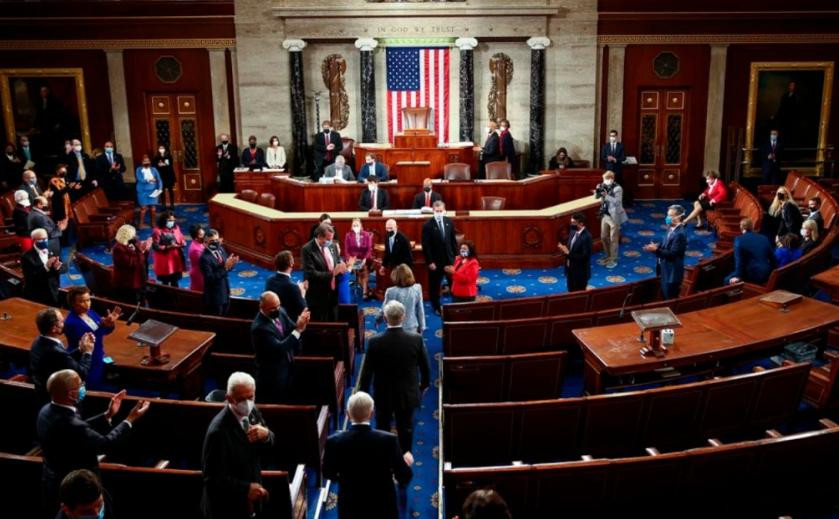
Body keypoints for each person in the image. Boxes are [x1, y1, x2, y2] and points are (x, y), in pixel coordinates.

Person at [38, 369, 149, 518]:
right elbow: (106, 444)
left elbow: (78, 430)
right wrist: (130, 419)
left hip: (53, 480)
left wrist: (107, 415)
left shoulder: (46, 411)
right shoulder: (73, 424)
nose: (84, 385)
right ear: (71, 394)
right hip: (80, 490)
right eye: (80, 384)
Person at [322, 391, 413, 519]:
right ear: (372, 414)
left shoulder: (333, 442)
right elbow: (404, 476)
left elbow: (327, 473)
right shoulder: (389, 440)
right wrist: (405, 463)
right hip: (383, 506)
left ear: (348, 414)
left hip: (350, 505)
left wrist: (344, 477)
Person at [201, 372, 275, 519]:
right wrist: (245, 489)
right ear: (229, 398)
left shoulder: (252, 411)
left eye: (251, 397)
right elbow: (212, 478)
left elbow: (270, 444)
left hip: (251, 498)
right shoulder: (218, 432)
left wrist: (266, 435)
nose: (248, 403)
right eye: (241, 399)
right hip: (226, 508)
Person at [361, 300, 430, 455]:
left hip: (382, 394)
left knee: (382, 427)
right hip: (408, 393)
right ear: (403, 317)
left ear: (385, 319)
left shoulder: (374, 341)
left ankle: (384, 458)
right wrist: (423, 387)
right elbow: (425, 368)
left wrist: (365, 395)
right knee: (406, 427)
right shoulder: (416, 339)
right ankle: (406, 455)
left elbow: (367, 373)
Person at [251, 291, 311, 403]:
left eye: (278, 305)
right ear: (262, 307)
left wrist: (301, 323)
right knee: (278, 400)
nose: (277, 309)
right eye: (273, 308)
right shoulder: (259, 328)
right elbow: (280, 349)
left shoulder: (280, 311)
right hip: (273, 374)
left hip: (288, 364)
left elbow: (292, 327)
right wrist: (298, 330)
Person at [63, 286, 121, 390]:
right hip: (85, 359)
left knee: (98, 383)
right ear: (73, 303)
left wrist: (110, 323)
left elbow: (105, 331)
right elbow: (89, 340)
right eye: (82, 301)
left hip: (97, 355)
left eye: (88, 300)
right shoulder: (71, 322)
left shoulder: (91, 313)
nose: (87, 304)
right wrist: (104, 326)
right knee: (90, 386)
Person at [29, 309, 94, 398]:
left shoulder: (38, 340)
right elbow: (82, 373)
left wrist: (80, 349)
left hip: (41, 389)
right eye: (62, 321)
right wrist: (87, 352)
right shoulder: (55, 352)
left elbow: (63, 361)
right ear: (54, 328)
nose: (64, 323)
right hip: (54, 396)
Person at [301, 223, 346, 322]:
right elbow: (311, 273)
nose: (330, 242)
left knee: (333, 320)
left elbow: (337, 260)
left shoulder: (332, 246)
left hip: (333, 292)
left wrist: (342, 265)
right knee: (320, 324)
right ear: (319, 236)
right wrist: (332, 274)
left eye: (331, 239)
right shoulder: (307, 249)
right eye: (328, 239)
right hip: (318, 296)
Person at [644, 204, 687, 300]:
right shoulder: (670, 229)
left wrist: (656, 250)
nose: (667, 218)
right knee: (663, 293)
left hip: (672, 271)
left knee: (669, 297)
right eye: (668, 215)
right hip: (664, 268)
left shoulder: (680, 234)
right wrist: (657, 246)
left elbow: (672, 254)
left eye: (670, 216)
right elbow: (666, 244)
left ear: (678, 218)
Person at [422, 201, 458, 313]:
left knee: (453, 283)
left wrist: (457, 257)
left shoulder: (449, 222)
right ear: (433, 211)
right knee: (434, 286)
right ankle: (436, 307)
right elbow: (426, 246)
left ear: (444, 210)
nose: (439, 213)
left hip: (449, 259)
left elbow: (453, 241)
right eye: (436, 211)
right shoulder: (427, 225)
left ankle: (455, 305)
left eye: (440, 211)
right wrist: (430, 262)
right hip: (435, 262)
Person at [200, 228, 239, 316]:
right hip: (215, 296)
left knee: (226, 315)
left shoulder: (221, 249)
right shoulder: (204, 258)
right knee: (218, 318)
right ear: (206, 243)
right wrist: (225, 268)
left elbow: (225, 267)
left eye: (217, 240)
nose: (215, 242)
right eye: (212, 241)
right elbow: (210, 278)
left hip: (225, 289)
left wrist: (231, 264)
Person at [725, 218, 774, 285]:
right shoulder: (764, 237)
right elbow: (772, 258)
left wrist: (738, 277)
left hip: (753, 275)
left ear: (741, 228)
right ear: (752, 227)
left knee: (726, 280)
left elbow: (739, 262)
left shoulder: (739, 240)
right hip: (767, 272)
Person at [22, 228, 64, 306]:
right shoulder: (27, 257)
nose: (45, 241)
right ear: (34, 240)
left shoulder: (53, 251)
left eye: (46, 238)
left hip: (54, 291)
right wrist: (46, 267)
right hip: (38, 295)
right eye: (41, 239)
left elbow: (57, 271)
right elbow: (31, 279)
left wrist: (56, 268)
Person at [594, 171, 627, 269]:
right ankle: (607, 255)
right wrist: (597, 192)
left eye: (606, 179)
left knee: (613, 238)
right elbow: (597, 198)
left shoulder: (618, 188)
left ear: (611, 179)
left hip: (614, 216)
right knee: (603, 237)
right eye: (603, 179)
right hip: (605, 214)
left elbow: (617, 202)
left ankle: (613, 259)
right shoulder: (603, 185)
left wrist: (606, 195)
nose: (604, 181)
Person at [111, 224, 150, 305]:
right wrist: (141, 252)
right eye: (133, 234)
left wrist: (145, 249)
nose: (135, 236)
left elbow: (142, 259)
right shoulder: (118, 248)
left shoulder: (134, 242)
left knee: (142, 299)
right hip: (128, 282)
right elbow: (131, 263)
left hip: (140, 277)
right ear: (127, 235)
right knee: (133, 302)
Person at [264, 250, 308, 322]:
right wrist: (302, 293)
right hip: (288, 324)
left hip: (272, 320)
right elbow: (303, 310)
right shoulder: (293, 287)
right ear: (291, 263)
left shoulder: (269, 280)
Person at [382, 264, 425, 334]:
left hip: (395, 326)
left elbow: (385, 309)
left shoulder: (391, 291)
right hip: (412, 326)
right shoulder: (417, 288)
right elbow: (420, 309)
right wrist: (422, 326)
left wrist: (379, 319)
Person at [558, 212, 592, 292]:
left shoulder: (587, 237)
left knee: (578, 294)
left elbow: (584, 257)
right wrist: (563, 249)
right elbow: (570, 248)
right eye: (571, 222)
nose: (571, 224)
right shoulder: (573, 231)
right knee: (570, 290)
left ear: (581, 223)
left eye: (573, 223)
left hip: (580, 272)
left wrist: (568, 253)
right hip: (570, 268)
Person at [151, 211, 186, 287]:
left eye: (173, 220)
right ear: (164, 220)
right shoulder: (157, 231)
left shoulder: (176, 228)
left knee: (175, 282)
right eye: (170, 220)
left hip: (175, 259)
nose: (172, 222)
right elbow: (155, 246)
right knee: (165, 283)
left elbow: (181, 237)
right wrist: (168, 247)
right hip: (165, 260)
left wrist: (183, 242)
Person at [344, 218, 375, 298]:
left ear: (361, 226)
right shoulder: (348, 235)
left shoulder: (366, 235)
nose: (355, 227)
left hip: (364, 258)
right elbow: (346, 250)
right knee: (360, 271)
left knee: (363, 269)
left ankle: (364, 292)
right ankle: (367, 290)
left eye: (357, 225)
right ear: (351, 227)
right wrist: (350, 259)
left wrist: (364, 259)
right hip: (352, 259)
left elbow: (369, 249)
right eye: (354, 225)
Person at [134, 154, 162, 229]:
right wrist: (149, 180)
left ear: (150, 161)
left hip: (153, 191)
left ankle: (153, 223)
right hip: (142, 191)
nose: (146, 162)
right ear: (142, 162)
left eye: (148, 161)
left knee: (153, 208)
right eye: (144, 161)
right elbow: (140, 179)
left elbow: (159, 179)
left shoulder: (154, 169)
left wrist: (160, 188)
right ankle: (141, 224)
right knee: (143, 208)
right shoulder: (138, 170)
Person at [153, 144, 176, 210]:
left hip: (168, 175)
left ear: (165, 149)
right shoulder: (156, 157)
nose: (161, 149)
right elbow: (155, 165)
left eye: (162, 148)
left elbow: (169, 164)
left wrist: (163, 164)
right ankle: (163, 205)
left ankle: (172, 204)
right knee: (162, 190)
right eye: (160, 148)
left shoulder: (168, 156)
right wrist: (161, 165)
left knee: (170, 190)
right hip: (161, 175)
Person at [188, 224, 206, 292]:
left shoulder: (200, 242)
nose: (204, 236)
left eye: (203, 233)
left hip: (201, 272)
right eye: (201, 235)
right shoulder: (195, 250)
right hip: (199, 275)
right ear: (196, 237)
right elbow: (204, 262)